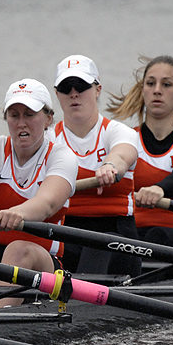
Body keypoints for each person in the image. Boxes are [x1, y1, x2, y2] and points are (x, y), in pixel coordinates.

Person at [0, 79, 77, 307]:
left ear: (48, 118)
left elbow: (48, 203)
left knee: (18, 251)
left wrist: (18, 212)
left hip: (39, 258)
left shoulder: (61, 157)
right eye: (14, 115)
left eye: (30, 114)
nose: (21, 123)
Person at [51, 54, 141, 276]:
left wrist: (111, 166)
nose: (74, 93)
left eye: (81, 86)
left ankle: (80, 303)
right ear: (57, 95)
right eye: (66, 87)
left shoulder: (119, 132)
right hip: (65, 232)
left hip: (117, 236)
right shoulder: (47, 140)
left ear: (97, 89)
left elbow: (123, 154)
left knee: (95, 246)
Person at [107, 55, 173, 250]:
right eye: (151, 83)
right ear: (143, 90)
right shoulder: (125, 141)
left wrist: (159, 189)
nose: (157, 90)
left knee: (158, 235)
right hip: (132, 236)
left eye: (167, 85)